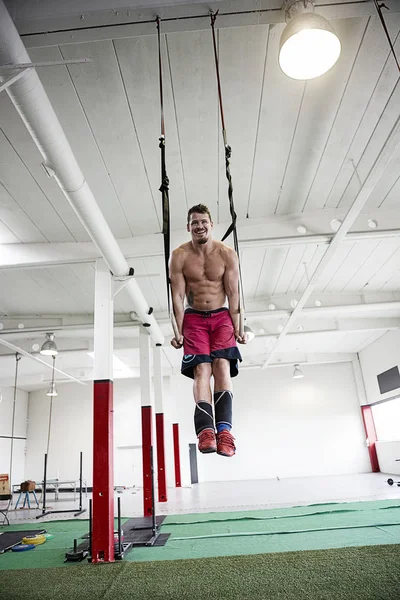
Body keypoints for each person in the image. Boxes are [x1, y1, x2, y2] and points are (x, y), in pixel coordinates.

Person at [169, 203, 247, 457]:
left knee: (222, 366)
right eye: (194, 222)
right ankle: (205, 430)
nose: (199, 226)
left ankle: (224, 431)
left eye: (203, 221)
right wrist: (178, 331)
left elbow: (234, 294)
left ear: (211, 225)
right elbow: (177, 297)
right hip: (193, 319)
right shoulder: (179, 256)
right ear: (188, 227)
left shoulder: (226, 254)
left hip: (221, 317)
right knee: (201, 369)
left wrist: (239, 327)